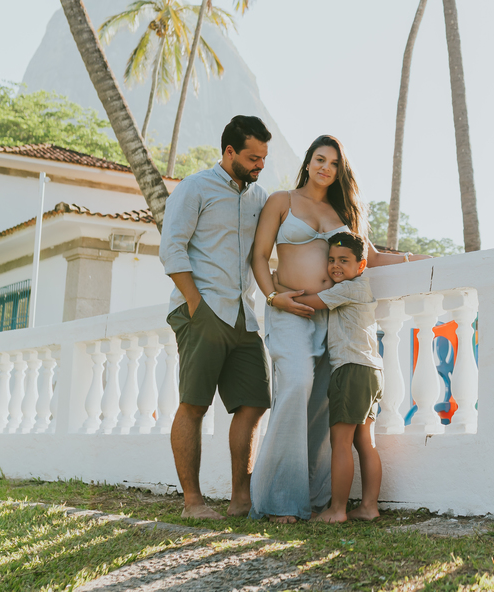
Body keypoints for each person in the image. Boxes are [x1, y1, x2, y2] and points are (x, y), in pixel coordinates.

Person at [250, 135, 423, 523]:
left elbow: (372, 257)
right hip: (289, 310)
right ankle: (278, 500)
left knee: (320, 404)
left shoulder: (343, 213)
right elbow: (259, 256)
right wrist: (273, 297)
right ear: (308, 162)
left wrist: (420, 258)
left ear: (339, 171)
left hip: (331, 319)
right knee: (295, 386)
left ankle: (312, 496)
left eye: (332, 163)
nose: (325, 167)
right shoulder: (282, 201)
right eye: (319, 159)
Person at [159, 114, 279, 520]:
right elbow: (171, 248)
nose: (260, 165)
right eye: (253, 157)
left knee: (254, 402)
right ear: (229, 152)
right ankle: (193, 503)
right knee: (193, 405)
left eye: (264, 157)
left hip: (243, 316)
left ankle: (240, 500)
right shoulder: (195, 187)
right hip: (202, 310)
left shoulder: (259, 197)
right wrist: (195, 303)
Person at [275, 232, 382, 523]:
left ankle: (337, 510)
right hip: (371, 371)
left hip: (350, 369)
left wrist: (277, 290)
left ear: (361, 266)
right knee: (365, 441)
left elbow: (310, 303)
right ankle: (369, 507)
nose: (335, 266)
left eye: (344, 261)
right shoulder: (359, 286)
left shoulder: (348, 288)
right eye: (332, 260)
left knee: (341, 441)